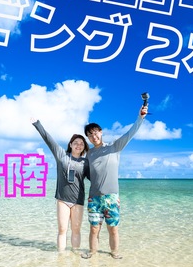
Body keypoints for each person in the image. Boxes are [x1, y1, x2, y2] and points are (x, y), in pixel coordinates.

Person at [80, 103, 147, 259]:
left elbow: (130, 133)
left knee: (113, 228)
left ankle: (114, 252)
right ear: (88, 138)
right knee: (94, 228)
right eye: (90, 135)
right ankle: (92, 252)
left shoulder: (114, 147)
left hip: (111, 197)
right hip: (94, 198)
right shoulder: (88, 153)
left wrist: (140, 118)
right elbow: (83, 172)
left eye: (95, 133)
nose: (93, 137)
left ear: (101, 132)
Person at [31, 119, 88, 252]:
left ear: (84, 147)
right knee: (62, 229)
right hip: (63, 199)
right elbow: (48, 140)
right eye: (76, 143)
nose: (78, 145)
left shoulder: (86, 162)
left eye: (81, 143)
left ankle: (75, 257)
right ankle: (60, 257)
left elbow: (96, 179)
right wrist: (37, 124)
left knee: (76, 229)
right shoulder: (62, 155)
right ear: (70, 144)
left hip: (78, 200)